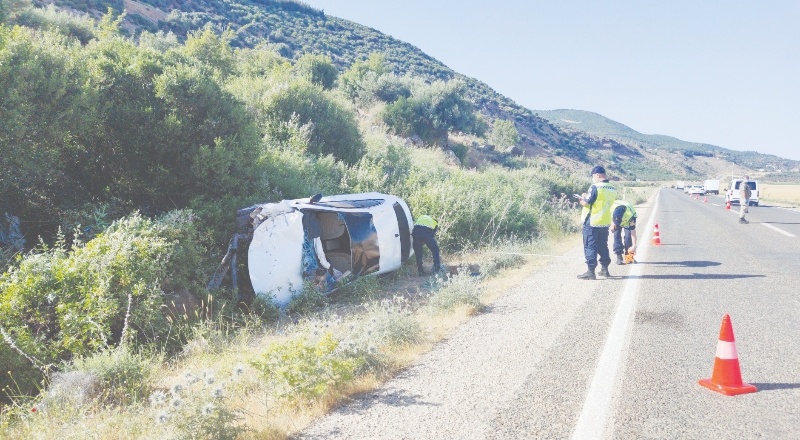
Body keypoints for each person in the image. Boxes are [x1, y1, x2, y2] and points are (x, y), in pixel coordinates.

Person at [576, 166, 618, 279]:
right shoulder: (612, 188)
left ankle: (590, 271)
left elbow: (586, 203)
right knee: (603, 246)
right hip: (604, 222)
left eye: (593, 176)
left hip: (592, 222)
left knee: (590, 246)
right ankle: (605, 269)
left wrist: (581, 199)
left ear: (598, 175)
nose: (593, 178)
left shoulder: (595, 187)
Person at [611, 199, 638, 265]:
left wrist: (634, 245)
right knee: (616, 235)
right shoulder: (612, 209)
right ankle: (619, 256)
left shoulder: (631, 216)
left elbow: (633, 232)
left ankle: (629, 257)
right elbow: (610, 217)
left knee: (628, 237)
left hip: (628, 220)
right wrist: (613, 224)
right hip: (615, 218)